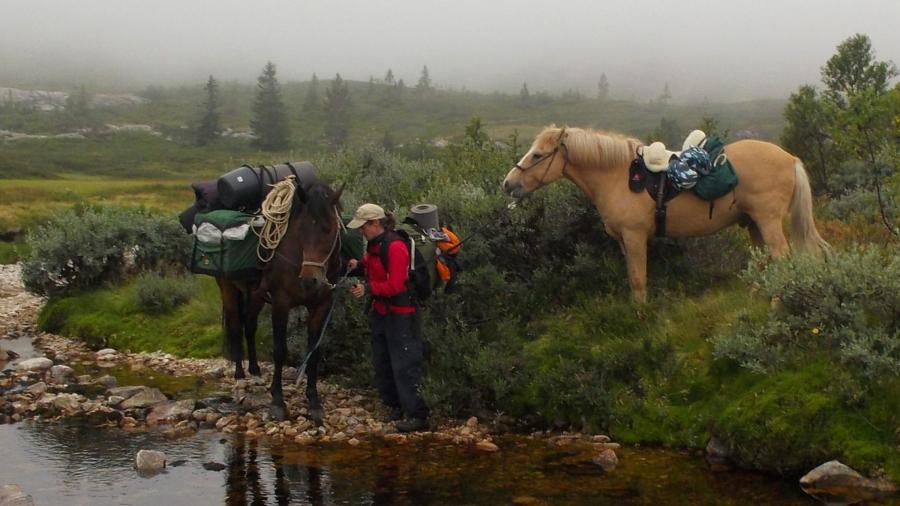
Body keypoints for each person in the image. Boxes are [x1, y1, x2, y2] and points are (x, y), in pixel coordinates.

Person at [346, 203, 429, 433]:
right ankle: (394, 406)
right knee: (383, 362)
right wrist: (359, 265)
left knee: (406, 365)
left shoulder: (395, 247)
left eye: (363, 227)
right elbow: (374, 265)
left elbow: (396, 284)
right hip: (382, 314)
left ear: (375, 224)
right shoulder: (375, 245)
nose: (361, 232)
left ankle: (417, 415)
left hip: (402, 316)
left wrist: (369, 289)